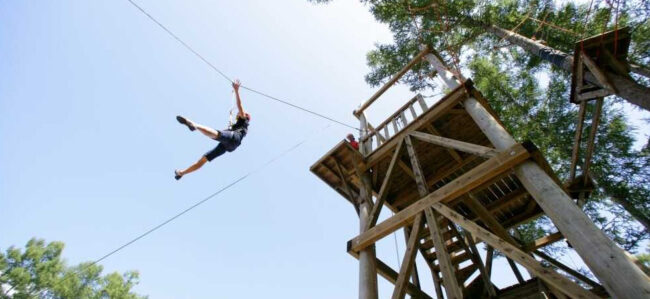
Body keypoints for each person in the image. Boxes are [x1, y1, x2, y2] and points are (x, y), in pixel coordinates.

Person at [174, 79, 250, 180]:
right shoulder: (239, 126)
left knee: (217, 134)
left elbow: (240, 107)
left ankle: (194, 125)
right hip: (228, 146)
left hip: (233, 139)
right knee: (204, 159)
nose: (238, 114)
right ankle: (181, 173)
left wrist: (236, 90)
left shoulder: (244, 120)